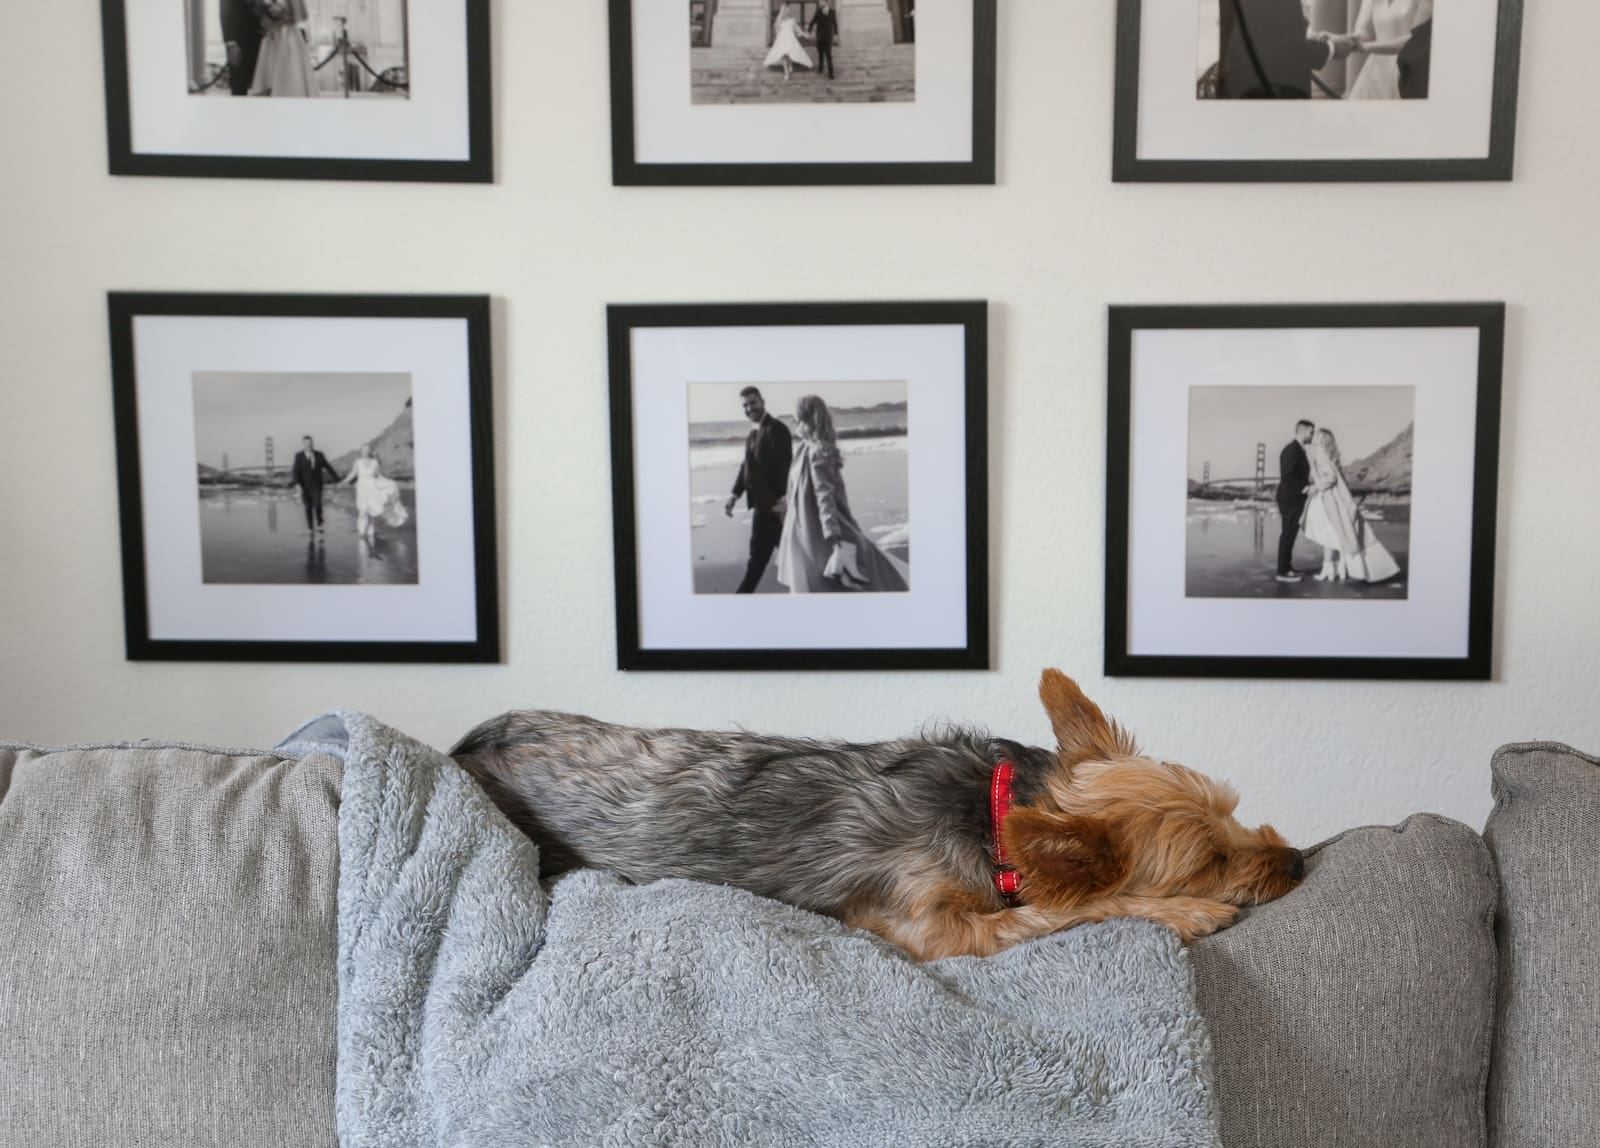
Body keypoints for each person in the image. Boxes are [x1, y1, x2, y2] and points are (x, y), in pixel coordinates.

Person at [775, 395, 909, 594]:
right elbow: (796, 488)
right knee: (814, 583)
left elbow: (824, 497)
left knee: (827, 582)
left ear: (808, 420)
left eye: (797, 419)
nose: (794, 423)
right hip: (802, 527)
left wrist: (833, 535)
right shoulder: (802, 449)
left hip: (816, 530)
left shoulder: (816, 453)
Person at [1301, 428, 1401, 583]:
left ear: (1322, 441)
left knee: (1327, 534)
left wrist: (1315, 487)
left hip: (1329, 500)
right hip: (1335, 499)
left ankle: (1329, 569)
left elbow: (1332, 477)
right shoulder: (1329, 455)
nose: (1314, 437)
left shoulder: (1320, 454)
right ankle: (1337, 569)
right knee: (1335, 534)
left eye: (1317, 436)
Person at [724, 387, 793, 594]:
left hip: (774, 509)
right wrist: (734, 494)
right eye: (745, 405)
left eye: (752, 403)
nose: (749, 408)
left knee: (760, 562)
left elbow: (785, 468)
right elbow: (747, 467)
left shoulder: (776, 429)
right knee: (788, 558)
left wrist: (785, 503)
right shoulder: (754, 433)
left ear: (762, 401)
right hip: (765, 508)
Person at [1216, 0, 1358, 98]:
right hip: (1271, 94)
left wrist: (1309, 37)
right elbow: (1285, 51)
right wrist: (1331, 49)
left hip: (1241, 86)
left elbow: (1265, 30)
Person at [1347, 0, 1433, 101]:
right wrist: (1337, 41)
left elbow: (1416, 40)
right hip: (1375, 70)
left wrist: (1367, 47)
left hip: (1406, 68)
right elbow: (1363, 34)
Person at [339, 443, 409, 542]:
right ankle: (362, 533)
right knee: (362, 511)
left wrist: (390, 483)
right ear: (361, 451)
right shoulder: (357, 462)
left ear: (370, 451)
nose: (365, 451)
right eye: (363, 450)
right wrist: (343, 482)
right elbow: (352, 474)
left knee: (371, 511)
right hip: (361, 488)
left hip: (372, 488)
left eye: (367, 449)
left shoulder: (375, 462)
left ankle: (370, 533)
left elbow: (379, 475)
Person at [1274, 419, 1315, 582]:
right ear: (1303, 431)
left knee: (1290, 534)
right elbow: (1287, 477)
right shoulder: (1292, 450)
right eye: (1311, 432)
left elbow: (1295, 476)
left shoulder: (1298, 450)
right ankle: (1282, 572)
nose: (1313, 436)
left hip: (1293, 499)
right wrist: (1306, 488)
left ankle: (1287, 568)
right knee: (1288, 534)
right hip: (1290, 500)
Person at [251, 0, 314, 98]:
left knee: (289, 73)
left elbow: (302, 16)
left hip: (287, 35)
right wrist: (266, 18)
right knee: (268, 71)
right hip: (270, 36)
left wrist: (278, 17)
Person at [290, 435, 341, 535]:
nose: (309, 445)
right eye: (306, 443)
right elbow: (295, 471)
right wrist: (297, 484)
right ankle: (310, 527)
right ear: (303, 444)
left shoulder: (319, 455)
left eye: (310, 443)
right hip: (304, 486)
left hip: (317, 485)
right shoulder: (298, 456)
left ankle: (320, 525)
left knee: (318, 505)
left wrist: (337, 479)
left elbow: (328, 467)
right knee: (308, 507)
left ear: (312, 443)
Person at [219, 0, 266, 97]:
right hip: (239, 42)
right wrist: (230, 42)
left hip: (264, 40)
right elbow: (225, 11)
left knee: (262, 85)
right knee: (239, 85)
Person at [764, 3, 815, 81]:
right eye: (786, 10)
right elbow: (776, 30)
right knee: (784, 54)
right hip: (782, 39)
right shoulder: (779, 20)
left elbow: (797, 29)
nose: (788, 11)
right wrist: (777, 40)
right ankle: (786, 72)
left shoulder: (792, 20)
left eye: (789, 10)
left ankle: (790, 64)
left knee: (789, 52)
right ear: (783, 11)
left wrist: (805, 35)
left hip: (790, 38)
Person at [808, 1, 840, 81]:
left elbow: (835, 24)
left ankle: (831, 72)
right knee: (820, 53)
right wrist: (809, 31)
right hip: (819, 36)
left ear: (826, 2)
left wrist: (836, 35)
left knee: (828, 53)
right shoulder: (818, 12)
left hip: (828, 36)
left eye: (821, 1)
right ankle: (821, 67)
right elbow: (812, 22)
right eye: (819, 2)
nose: (820, 3)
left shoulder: (832, 12)